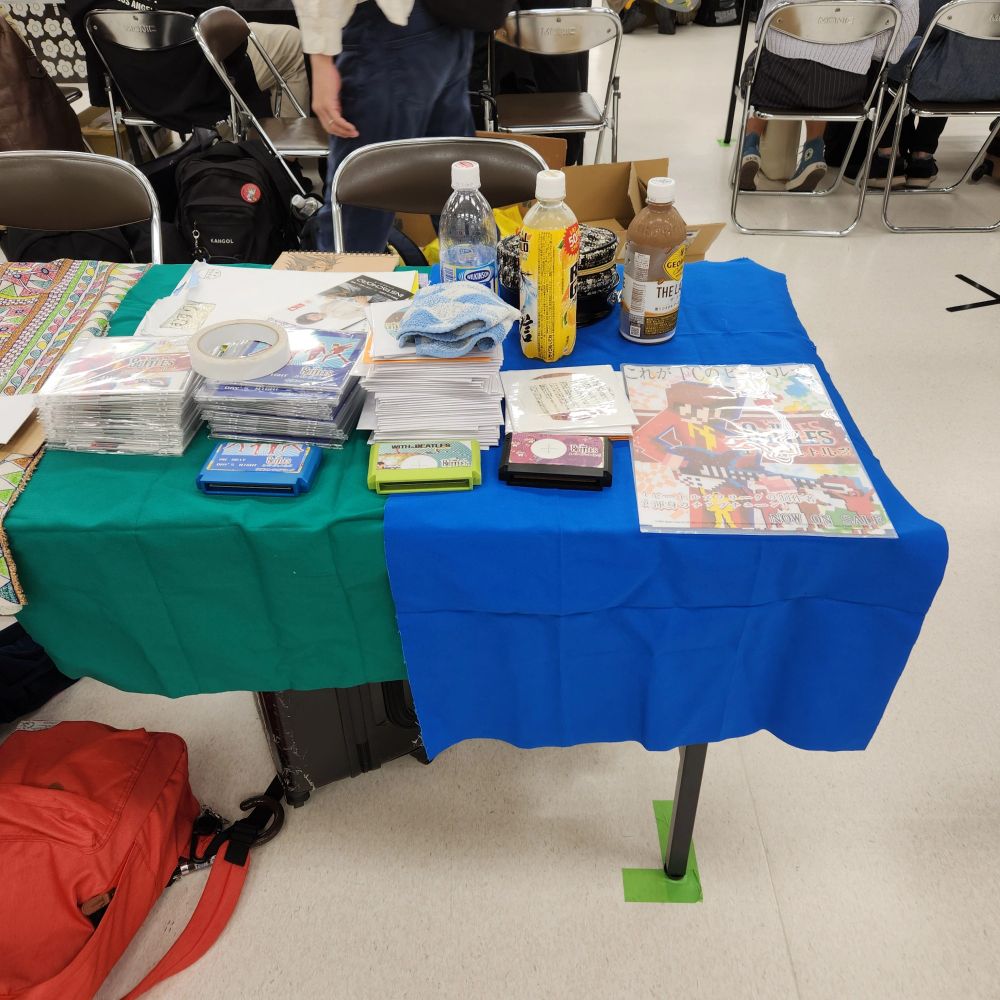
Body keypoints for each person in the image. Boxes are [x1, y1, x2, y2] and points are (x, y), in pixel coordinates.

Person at [290, 0, 475, 252]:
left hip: (388, 28)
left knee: (356, 215)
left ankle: (347, 282)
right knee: (457, 189)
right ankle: (479, 275)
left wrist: (320, 57)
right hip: (446, 23)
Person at [738, 0, 918, 192]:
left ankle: (750, 145)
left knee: (757, 65)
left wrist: (767, 37)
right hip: (844, 87)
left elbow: (767, 15)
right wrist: (876, 49)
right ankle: (813, 151)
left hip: (778, 77)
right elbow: (909, 12)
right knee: (821, 83)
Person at [67, 0, 309, 119]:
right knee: (294, 41)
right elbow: (225, 17)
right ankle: (282, 162)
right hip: (201, 88)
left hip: (135, 93)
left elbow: (93, 51)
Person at [866, 0, 1000, 188]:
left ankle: (887, 158)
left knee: (891, 59)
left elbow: (922, 25)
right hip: (992, 86)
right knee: (949, 65)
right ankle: (923, 159)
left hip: (943, 80)